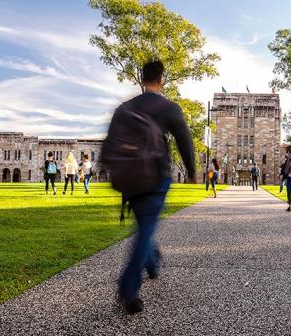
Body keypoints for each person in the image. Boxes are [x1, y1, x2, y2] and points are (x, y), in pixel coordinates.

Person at [116, 60, 195, 314]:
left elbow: (113, 145)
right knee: (147, 227)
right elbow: (185, 141)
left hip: (130, 180)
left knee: (145, 226)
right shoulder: (169, 108)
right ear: (161, 79)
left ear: (141, 79)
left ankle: (151, 259)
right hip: (156, 177)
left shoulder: (125, 109)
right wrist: (192, 171)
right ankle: (128, 288)